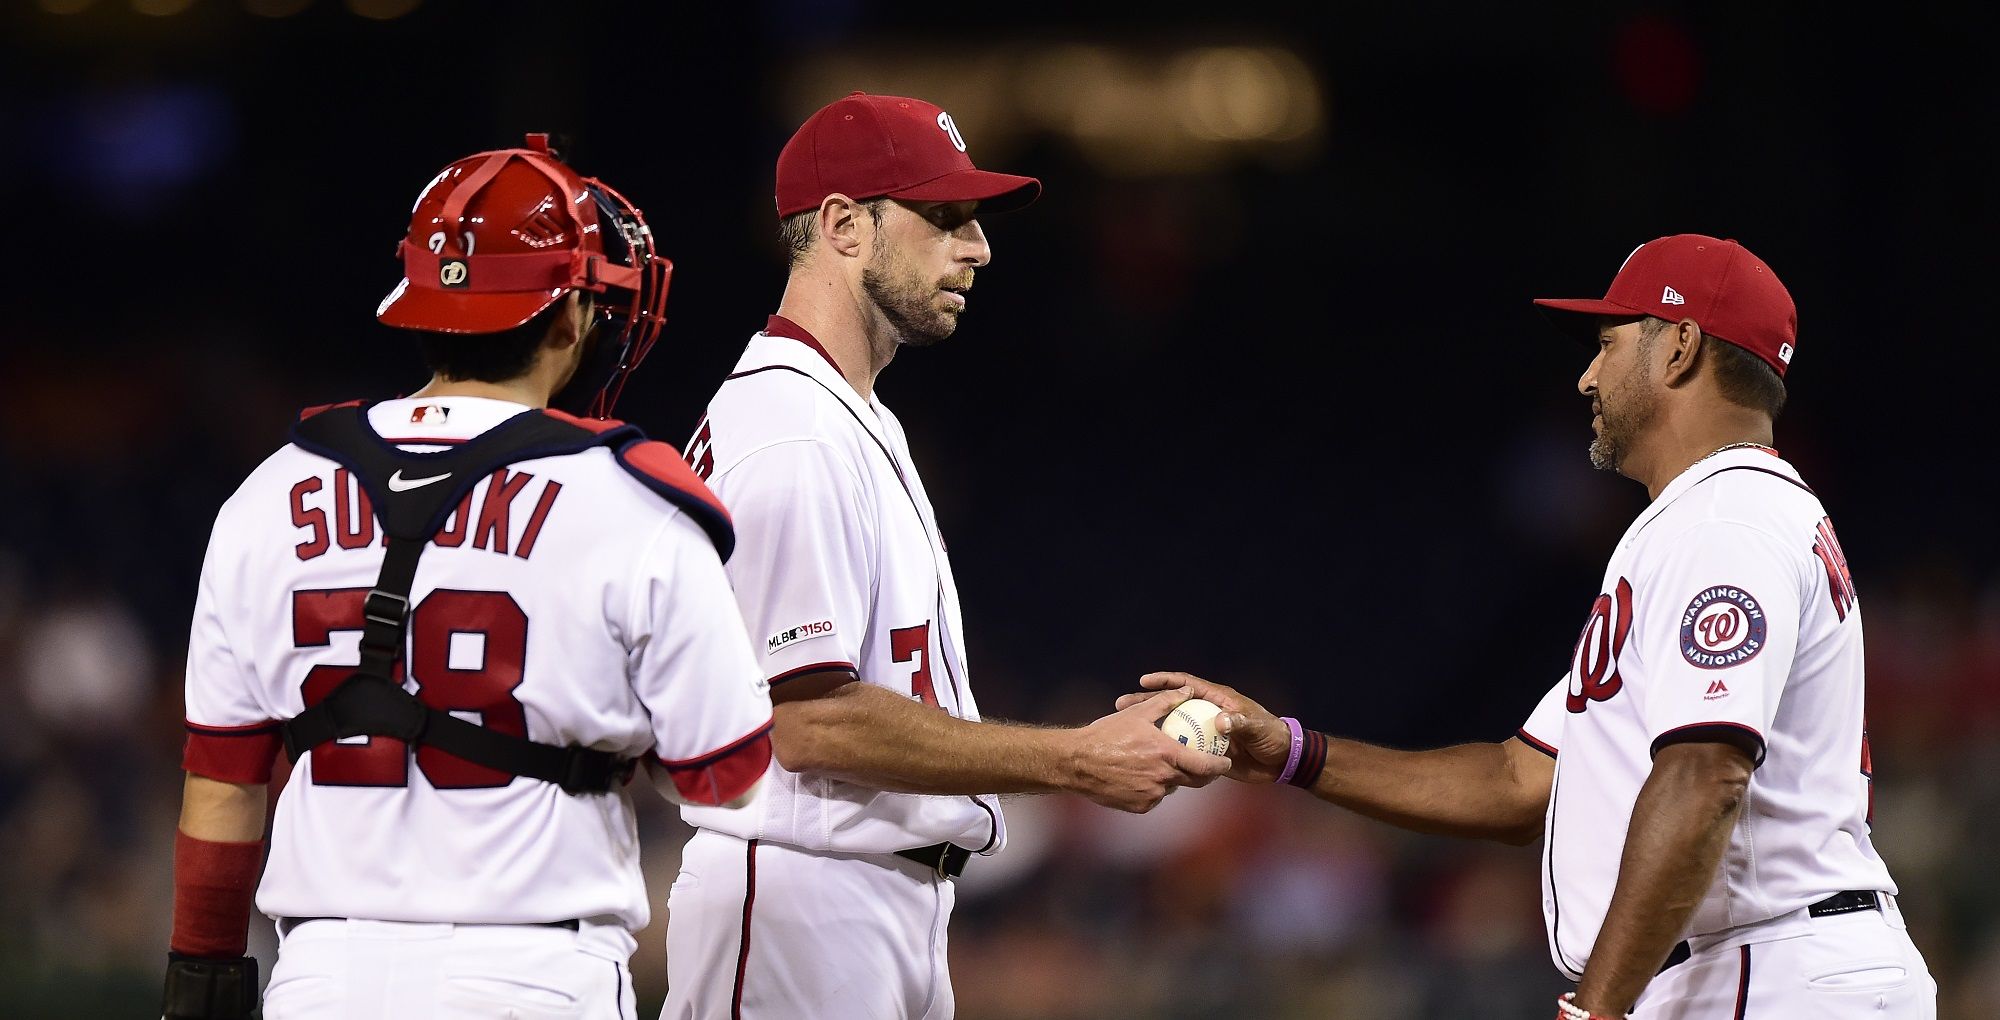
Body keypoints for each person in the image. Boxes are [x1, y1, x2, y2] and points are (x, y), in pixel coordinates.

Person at [1125, 235, 1937, 1019]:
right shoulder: (1709, 521)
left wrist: (1597, 1008)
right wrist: (1290, 751)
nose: (1587, 376)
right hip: (1753, 966)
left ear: (1681, 347)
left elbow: (1704, 775)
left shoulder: (1726, 519)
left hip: (1768, 970)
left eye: (1609, 343)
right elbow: (1520, 781)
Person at [165, 135, 774, 1020]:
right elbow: (729, 778)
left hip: (319, 976)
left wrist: (201, 983)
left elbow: (223, 782)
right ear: (571, 320)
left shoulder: (264, 494)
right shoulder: (631, 500)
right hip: (530, 975)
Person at [662, 92, 1230, 1020]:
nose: (978, 247)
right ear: (844, 224)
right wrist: (1075, 761)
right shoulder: (791, 427)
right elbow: (804, 723)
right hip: (803, 894)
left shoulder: (846, 413)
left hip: (869, 898)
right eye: (944, 218)